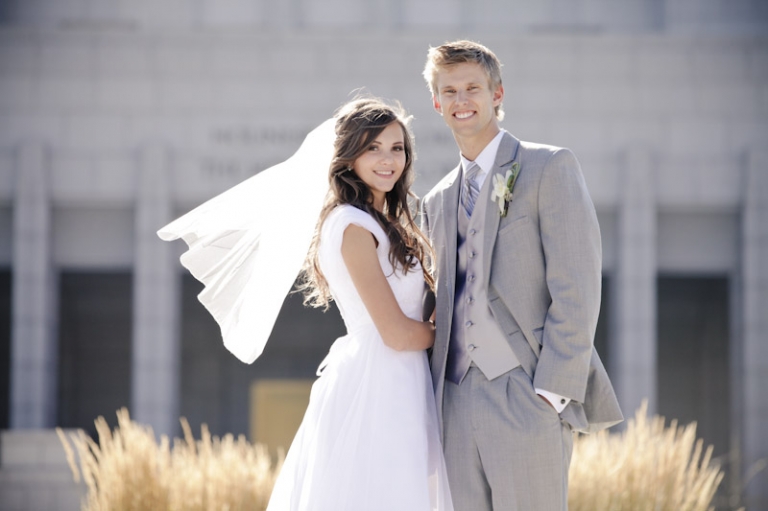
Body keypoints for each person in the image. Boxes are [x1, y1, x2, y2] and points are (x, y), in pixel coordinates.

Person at [160, 97, 453, 511]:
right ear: (349, 155)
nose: (389, 160)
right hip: (381, 384)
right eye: (373, 148)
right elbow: (396, 332)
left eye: (397, 148)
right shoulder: (352, 226)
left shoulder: (380, 220)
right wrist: (456, 330)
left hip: (400, 379)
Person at [420, 40, 623, 510]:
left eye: (472, 87)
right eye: (448, 91)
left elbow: (577, 285)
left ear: (497, 94)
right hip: (452, 400)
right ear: (436, 102)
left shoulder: (548, 167)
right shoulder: (435, 201)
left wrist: (552, 390)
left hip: (526, 391)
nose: (461, 100)